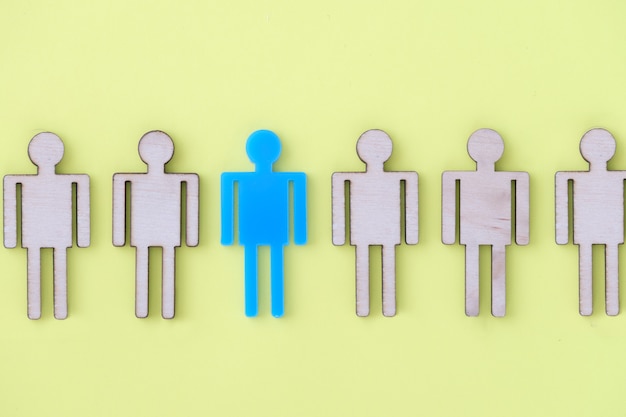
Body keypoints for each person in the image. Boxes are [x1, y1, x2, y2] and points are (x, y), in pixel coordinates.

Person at [442, 128, 529, 317]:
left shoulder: (508, 177)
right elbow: (449, 194)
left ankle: (493, 307)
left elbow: (521, 192)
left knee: (491, 267)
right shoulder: (461, 177)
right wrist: (448, 233)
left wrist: (522, 234)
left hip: (493, 230)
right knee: (478, 266)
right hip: (480, 230)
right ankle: (479, 306)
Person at [332, 129, 418, 317]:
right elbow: (338, 194)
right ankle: (371, 307)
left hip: (381, 229)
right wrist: (338, 233)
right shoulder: (352, 178)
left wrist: (411, 233)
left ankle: (383, 307)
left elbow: (411, 190)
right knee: (370, 264)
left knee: (382, 264)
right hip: (371, 229)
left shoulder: (397, 178)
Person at [113, 130, 199, 319]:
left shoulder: (178, 180)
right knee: (149, 265)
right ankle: (146, 309)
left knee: (163, 265)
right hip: (151, 230)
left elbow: (192, 190)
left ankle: (159, 309)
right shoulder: (134, 179)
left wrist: (192, 236)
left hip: (162, 230)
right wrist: (118, 235)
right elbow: (119, 188)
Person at [4, 132, 90, 319]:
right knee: (38, 267)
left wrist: (83, 236)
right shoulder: (22, 181)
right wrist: (10, 237)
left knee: (53, 266)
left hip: (53, 231)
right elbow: (10, 198)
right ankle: (41, 310)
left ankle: (55, 310)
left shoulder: (68, 181)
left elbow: (82, 190)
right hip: (41, 231)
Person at [221, 130, 307, 318]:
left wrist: (228, 235)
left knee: (267, 263)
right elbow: (299, 186)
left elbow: (299, 186)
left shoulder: (245, 179)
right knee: (261, 263)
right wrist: (227, 234)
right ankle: (266, 307)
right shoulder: (245, 179)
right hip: (264, 228)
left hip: (265, 228)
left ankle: (269, 307)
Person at [556, 128, 625, 316]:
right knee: (594, 263)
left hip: (603, 227)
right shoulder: (577, 177)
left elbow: (562, 189)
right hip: (593, 227)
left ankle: (605, 306)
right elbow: (562, 192)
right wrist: (562, 232)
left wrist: (563, 233)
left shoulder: (618, 176)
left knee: (607, 264)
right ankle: (592, 306)